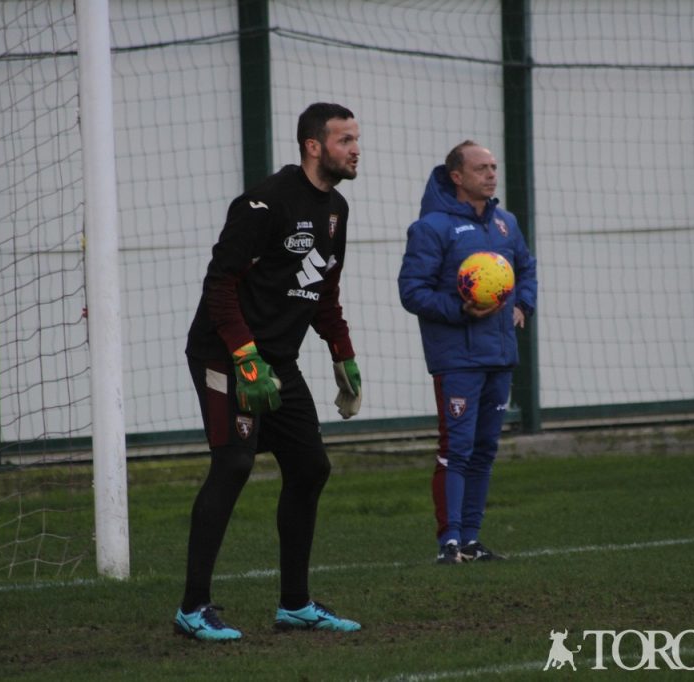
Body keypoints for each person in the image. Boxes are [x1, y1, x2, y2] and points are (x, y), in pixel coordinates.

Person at [174, 103, 364, 641]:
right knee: (233, 465)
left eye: (356, 139)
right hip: (223, 354)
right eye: (345, 139)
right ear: (313, 146)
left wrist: (342, 354)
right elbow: (220, 283)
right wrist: (243, 356)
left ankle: (295, 605)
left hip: (278, 360)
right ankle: (193, 608)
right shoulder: (264, 202)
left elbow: (324, 288)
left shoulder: (337, 211)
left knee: (310, 468)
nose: (355, 149)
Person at [398, 140, 537, 565]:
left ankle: (472, 539)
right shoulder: (431, 228)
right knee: (456, 449)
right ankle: (450, 541)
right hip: (457, 357)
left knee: (484, 450)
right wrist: (460, 310)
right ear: (457, 176)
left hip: (499, 354)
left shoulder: (505, 224)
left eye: (494, 166)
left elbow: (526, 267)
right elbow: (412, 291)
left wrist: (521, 303)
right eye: (481, 168)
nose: (491, 174)